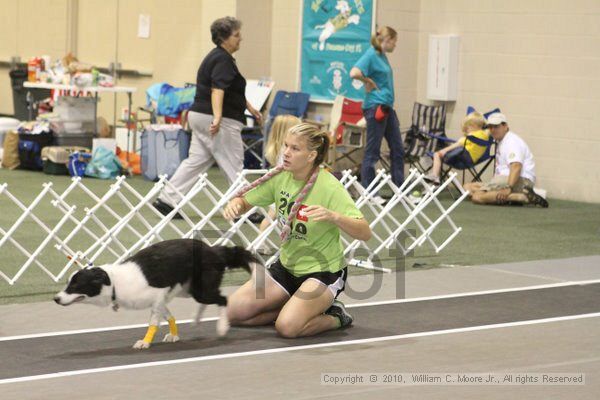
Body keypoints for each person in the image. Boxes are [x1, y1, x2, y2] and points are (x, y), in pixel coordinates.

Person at [223, 123, 371, 338]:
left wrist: (334, 216)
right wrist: (237, 204)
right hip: (286, 268)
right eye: (285, 146)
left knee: (288, 328)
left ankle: (336, 315)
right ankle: (293, 304)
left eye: (295, 148)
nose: (286, 152)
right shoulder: (280, 177)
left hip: (323, 273)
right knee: (231, 313)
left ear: (311, 156)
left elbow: (365, 232)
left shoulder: (330, 186)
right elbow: (244, 200)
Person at [153, 16, 262, 217]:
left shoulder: (217, 57)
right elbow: (217, 89)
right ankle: (244, 208)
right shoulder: (223, 60)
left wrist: (250, 107)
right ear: (224, 38)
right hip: (219, 120)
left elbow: (229, 90)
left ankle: (167, 200)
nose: (241, 38)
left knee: (196, 161)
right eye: (236, 35)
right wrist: (218, 117)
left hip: (198, 116)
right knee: (233, 164)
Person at [350, 26, 404, 204]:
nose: (396, 44)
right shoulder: (371, 54)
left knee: (397, 148)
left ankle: (400, 189)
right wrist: (367, 81)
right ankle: (369, 192)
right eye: (394, 41)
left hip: (387, 107)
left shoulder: (382, 56)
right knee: (372, 151)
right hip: (376, 108)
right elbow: (354, 72)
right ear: (386, 39)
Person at [463, 113, 548, 207]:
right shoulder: (502, 140)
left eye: (496, 126)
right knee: (468, 187)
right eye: (490, 127)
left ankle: (522, 197)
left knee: (477, 197)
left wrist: (508, 187)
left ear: (505, 126)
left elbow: (516, 166)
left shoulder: (512, 142)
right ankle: (520, 196)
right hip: (506, 179)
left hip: (519, 181)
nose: (492, 130)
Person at [259, 115, 303, 233]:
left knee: (272, 217)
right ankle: (260, 244)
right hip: (283, 187)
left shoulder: (278, 148)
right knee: (271, 216)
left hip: (281, 186)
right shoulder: (287, 151)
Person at [424, 111, 490, 185]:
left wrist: (444, 150)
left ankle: (435, 176)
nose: (466, 129)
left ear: (474, 125)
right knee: (438, 154)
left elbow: (459, 143)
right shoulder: (484, 135)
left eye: (468, 126)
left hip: (465, 157)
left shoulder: (475, 135)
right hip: (468, 159)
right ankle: (435, 178)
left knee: (437, 154)